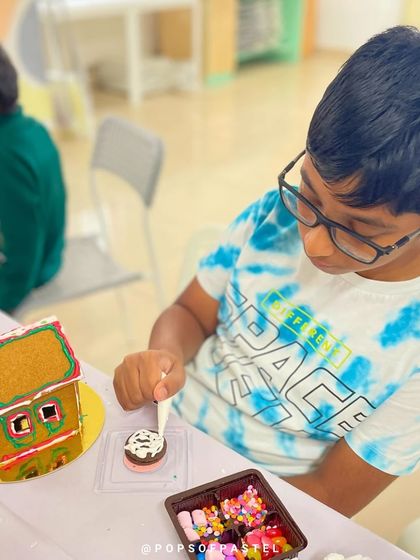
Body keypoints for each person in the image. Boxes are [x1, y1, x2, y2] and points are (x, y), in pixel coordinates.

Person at [113, 26, 420, 517]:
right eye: (309, 195)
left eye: (360, 231)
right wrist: (163, 356)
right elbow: (191, 312)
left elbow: (332, 492)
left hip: (263, 506)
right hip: (171, 434)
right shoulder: (273, 217)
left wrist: (201, 502)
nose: (314, 243)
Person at [0, 46, 66, 312]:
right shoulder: (31, 129)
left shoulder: (6, 158)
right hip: (45, 249)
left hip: (31, 270)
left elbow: (23, 257)